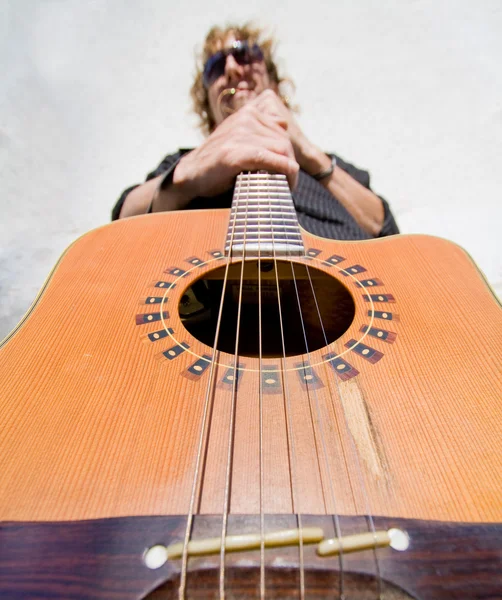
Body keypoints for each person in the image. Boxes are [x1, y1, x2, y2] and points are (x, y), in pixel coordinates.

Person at [112, 23, 399, 240]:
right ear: (208, 104)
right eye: (215, 67)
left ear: (274, 84)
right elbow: (122, 224)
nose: (233, 68)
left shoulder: (332, 167)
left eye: (245, 54)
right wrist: (189, 172)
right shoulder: (182, 161)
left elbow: (385, 231)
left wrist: (308, 152)